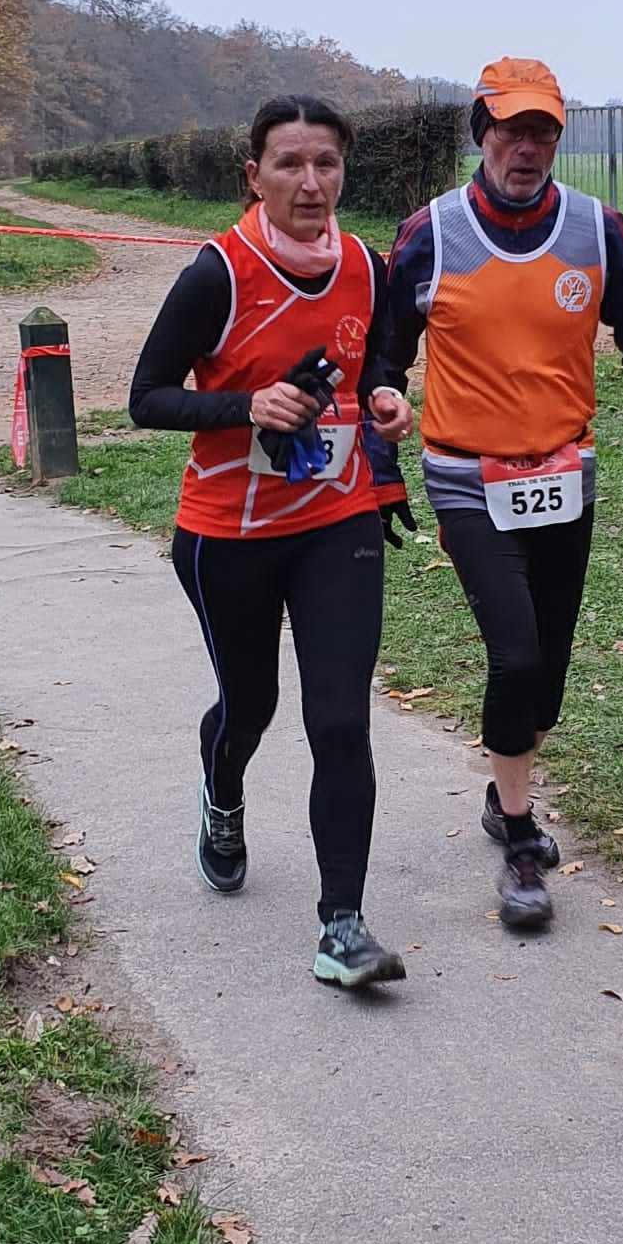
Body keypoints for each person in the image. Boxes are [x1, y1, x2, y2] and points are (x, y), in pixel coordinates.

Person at [384, 58, 623, 931]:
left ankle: (505, 783)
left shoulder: (598, 230)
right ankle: (522, 838)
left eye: (543, 132)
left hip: (564, 477)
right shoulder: (431, 234)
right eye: (511, 130)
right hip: (465, 478)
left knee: (546, 677)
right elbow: (381, 358)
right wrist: (380, 461)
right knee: (515, 655)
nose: (526, 148)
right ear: (480, 133)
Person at [129, 93, 415, 992]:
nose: (310, 181)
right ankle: (222, 796)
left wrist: (386, 403)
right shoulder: (217, 273)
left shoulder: (369, 267)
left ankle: (343, 924)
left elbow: (377, 364)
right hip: (228, 537)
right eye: (289, 164)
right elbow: (146, 398)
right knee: (248, 708)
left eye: (326, 163)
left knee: (339, 718)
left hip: (337, 522)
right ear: (253, 175)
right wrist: (242, 406)